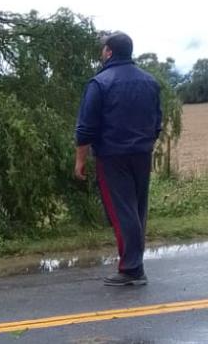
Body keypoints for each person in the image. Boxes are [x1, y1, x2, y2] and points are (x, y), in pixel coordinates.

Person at [75, 32, 162, 286]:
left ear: (109, 52)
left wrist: (80, 160)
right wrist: (145, 143)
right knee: (137, 210)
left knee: (122, 211)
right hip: (142, 154)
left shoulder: (100, 83)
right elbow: (157, 122)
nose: (101, 52)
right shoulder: (150, 82)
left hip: (112, 156)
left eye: (103, 49)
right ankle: (135, 264)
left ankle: (131, 268)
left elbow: (86, 128)